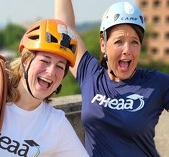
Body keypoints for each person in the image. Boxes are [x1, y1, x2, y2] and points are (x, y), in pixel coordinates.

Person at [55, 1, 169, 157]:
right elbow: (65, 29)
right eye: (119, 41)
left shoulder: (157, 83)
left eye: (134, 42)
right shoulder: (90, 74)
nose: (127, 50)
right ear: (103, 44)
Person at [0, 18, 89, 157]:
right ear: (25, 60)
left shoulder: (54, 125)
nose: (51, 72)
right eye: (44, 60)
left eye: (60, 66)